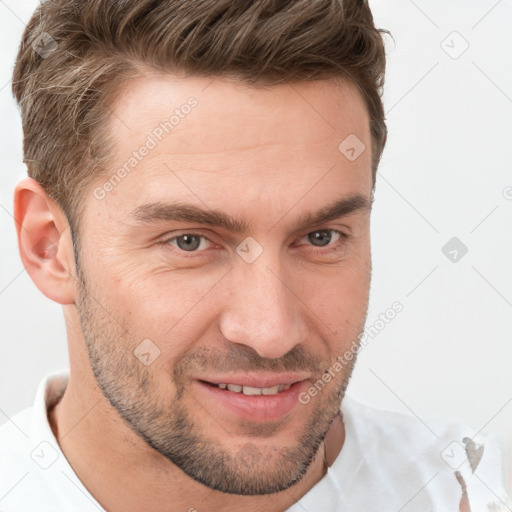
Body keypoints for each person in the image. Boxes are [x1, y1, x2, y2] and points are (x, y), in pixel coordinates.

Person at [0, 0, 509, 510]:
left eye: (320, 237)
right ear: (49, 247)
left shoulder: (479, 492)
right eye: (190, 242)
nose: (270, 332)